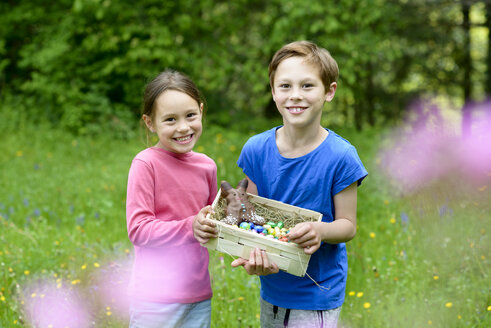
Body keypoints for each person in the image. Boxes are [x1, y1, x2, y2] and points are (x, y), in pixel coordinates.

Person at [231, 41, 368, 327]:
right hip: (273, 286)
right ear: (273, 91)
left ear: (329, 91)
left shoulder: (341, 157)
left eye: (307, 86)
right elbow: (254, 217)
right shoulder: (256, 150)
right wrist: (251, 255)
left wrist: (319, 230)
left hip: (317, 291)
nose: (295, 96)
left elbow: (348, 225)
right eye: (285, 86)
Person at [125, 69, 218, 328]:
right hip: (154, 298)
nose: (183, 127)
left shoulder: (207, 166)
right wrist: (191, 226)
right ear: (150, 122)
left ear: (201, 110)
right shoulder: (146, 164)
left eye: (190, 115)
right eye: (170, 120)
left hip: (198, 295)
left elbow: (213, 224)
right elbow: (138, 229)